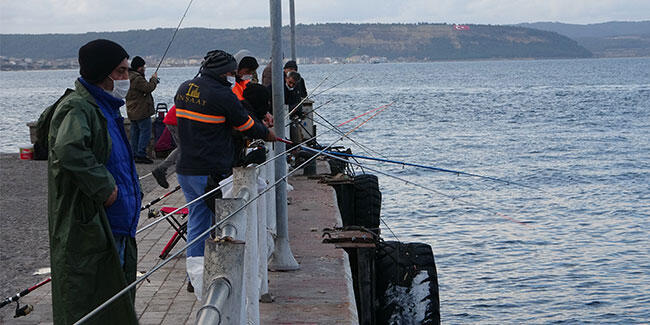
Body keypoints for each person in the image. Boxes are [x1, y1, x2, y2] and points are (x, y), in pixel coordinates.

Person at [47, 39, 140, 324]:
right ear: (103, 73)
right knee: (96, 305)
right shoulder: (79, 107)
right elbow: (69, 148)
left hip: (118, 223)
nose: (127, 78)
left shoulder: (106, 107)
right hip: (99, 226)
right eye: (122, 71)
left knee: (117, 304)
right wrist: (107, 190)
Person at [174, 50, 276, 297]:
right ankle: (214, 279)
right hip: (210, 171)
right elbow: (246, 124)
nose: (233, 77)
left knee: (198, 221)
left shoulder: (184, 88)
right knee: (226, 224)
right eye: (232, 72)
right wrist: (267, 133)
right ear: (222, 72)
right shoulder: (222, 94)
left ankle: (194, 275)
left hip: (185, 168)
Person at [126, 56, 159, 164]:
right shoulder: (137, 78)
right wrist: (153, 79)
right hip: (141, 111)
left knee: (134, 133)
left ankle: (134, 154)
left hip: (132, 110)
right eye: (143, 67)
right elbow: (148, 88)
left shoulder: (128, 77)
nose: (144, 69)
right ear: (139, 67)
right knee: (145, 133)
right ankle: (141, 154)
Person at [151, 104, 178, 188]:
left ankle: (183, 173)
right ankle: (161, 168)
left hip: (172, 118)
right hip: (177, 120)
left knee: (183, 148)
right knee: (185, 148)